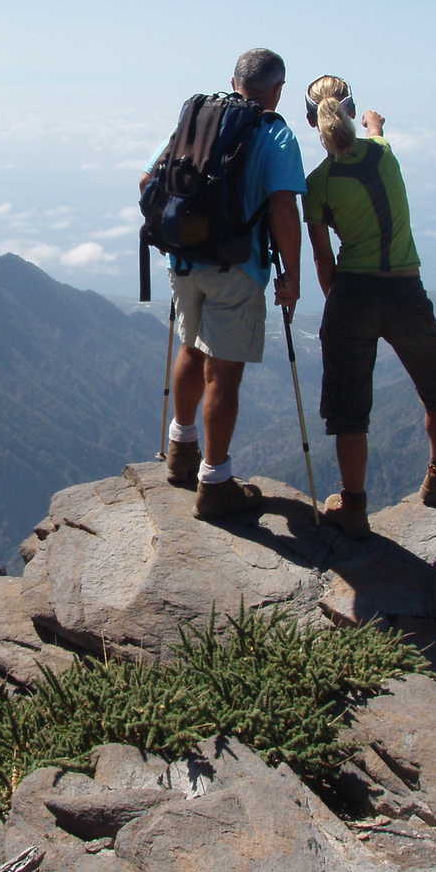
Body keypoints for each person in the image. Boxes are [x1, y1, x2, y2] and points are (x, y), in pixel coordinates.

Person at [302, 74, 436, 536]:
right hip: (404, 290)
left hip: (352, 294)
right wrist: (372, 122)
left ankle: (353, 505)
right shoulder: (384, 154)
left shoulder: (318, 183)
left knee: (348, 406)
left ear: (312, 121)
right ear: (350, 112)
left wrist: (339, 305)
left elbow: (323, 258)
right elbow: (375, 135)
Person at [141, 48, 304, 519]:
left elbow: (147, 179)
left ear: (233, 81)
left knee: (190, 350)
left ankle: (180, 452)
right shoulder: (274, 134)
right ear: (278, 89)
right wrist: (291, 276)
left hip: (184, 261)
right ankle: (215, 482)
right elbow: (282, 209)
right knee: (224, 375)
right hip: (238, 266)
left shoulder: (197, 120)